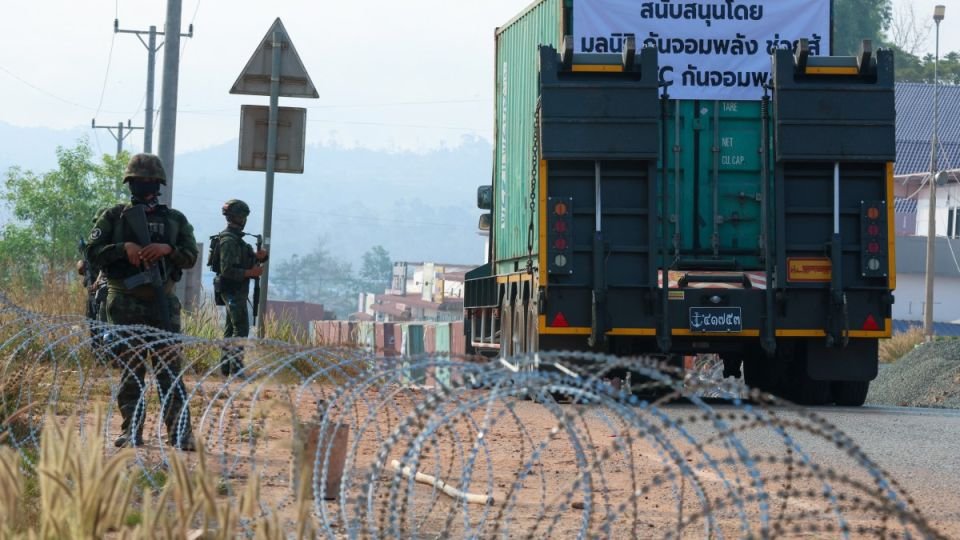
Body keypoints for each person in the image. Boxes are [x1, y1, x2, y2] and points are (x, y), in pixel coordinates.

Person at [84, 153, 198, 450]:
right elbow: (92, 253)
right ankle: (131, 430)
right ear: (130, 183)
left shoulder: (174, 220)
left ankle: (180, 433)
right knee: (131, 370)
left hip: (163, 302)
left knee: (169, 371)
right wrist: (124, 248)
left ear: (159, 184)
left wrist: (167, 249)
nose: (145, 185)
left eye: (150, 181)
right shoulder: (113, 216)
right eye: (139, 180)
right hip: (126, 301)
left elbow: (191, 257)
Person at [213, 199, 267, 376]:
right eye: (242, 216)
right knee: (240, 329)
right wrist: (251, 272)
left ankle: (226, 369)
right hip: (232, 289)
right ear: (238, 217)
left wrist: (260, 257)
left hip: (237, 290)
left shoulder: (237, 240)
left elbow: (245, 259)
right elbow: (227, 270)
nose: (244, 220)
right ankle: (236, 369)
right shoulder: (229, 240)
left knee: (231, 329)